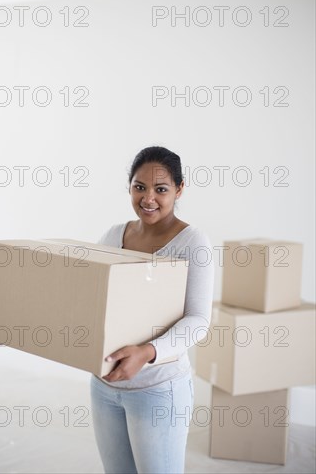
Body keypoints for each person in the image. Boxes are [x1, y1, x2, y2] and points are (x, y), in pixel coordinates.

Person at [90, 146, 214, 474]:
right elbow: (90, 300)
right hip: (104, 386)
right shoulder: (114, 235)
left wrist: (147, 352)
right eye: (139, 187)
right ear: (129, 187)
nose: (148, 198)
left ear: (179, 189)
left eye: (161, 189)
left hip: (158, 390)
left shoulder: (193, 242)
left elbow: (199, 319)